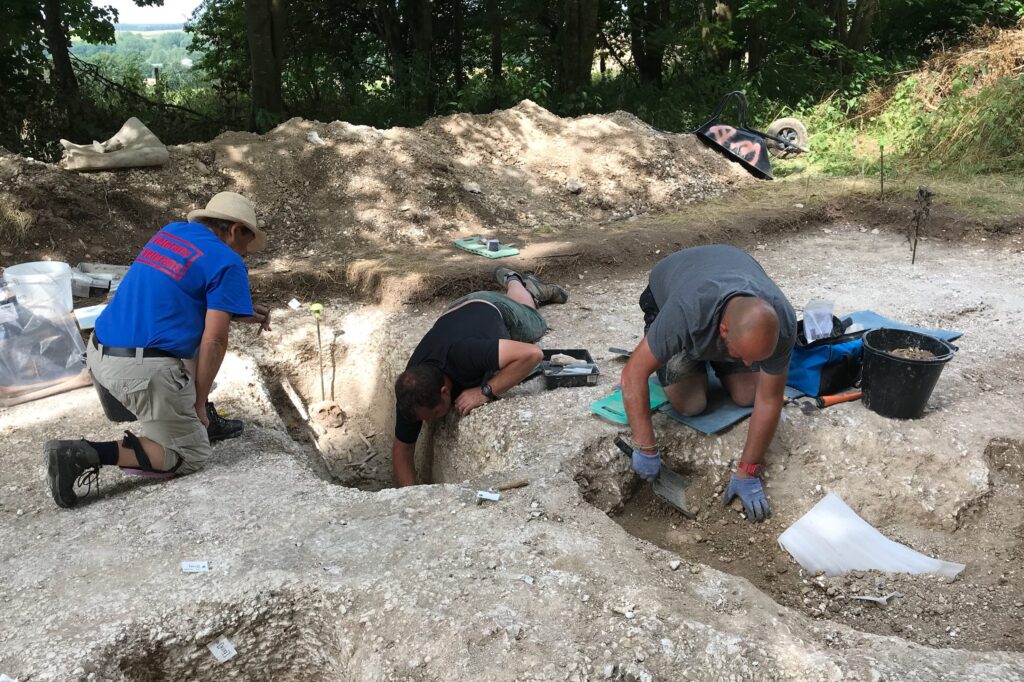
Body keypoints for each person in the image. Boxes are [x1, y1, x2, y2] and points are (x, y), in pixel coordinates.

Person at [45, 192, 271, 508]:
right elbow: (215, 341)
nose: (246, 252)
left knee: (188, 340)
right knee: (191, 455)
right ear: (234, 230)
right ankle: (83, 453)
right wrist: (199, 401)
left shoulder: (172, 233)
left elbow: (176, 292)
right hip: (138, 372)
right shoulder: (229, 262)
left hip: (99, 352)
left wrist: (234, 308)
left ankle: (191, 421)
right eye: (247, 241)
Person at [620, 245, 796, 522]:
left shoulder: (782, 323)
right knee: (690, 404)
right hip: (673, 287)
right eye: (743, 356)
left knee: (749, 393)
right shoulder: (684, 313)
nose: (751, 365)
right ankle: (682, 352)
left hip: (728, 279)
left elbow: (769, 398)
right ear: (724, 330)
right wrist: (646, 447)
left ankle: (715, 358)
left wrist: (747, 471)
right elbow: (632, 374)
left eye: (755, 359)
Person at [391, 267, 568, 486]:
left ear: (444, 391)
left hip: (492, 307)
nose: (430, 421)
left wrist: (486, 391)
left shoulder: (465, 355)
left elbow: (532, 355)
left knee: (533, 322)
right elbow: (402, 449)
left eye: (434, 413)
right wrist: (413, 497)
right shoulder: (411, 391)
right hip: (456, 312)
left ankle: (518, 283)